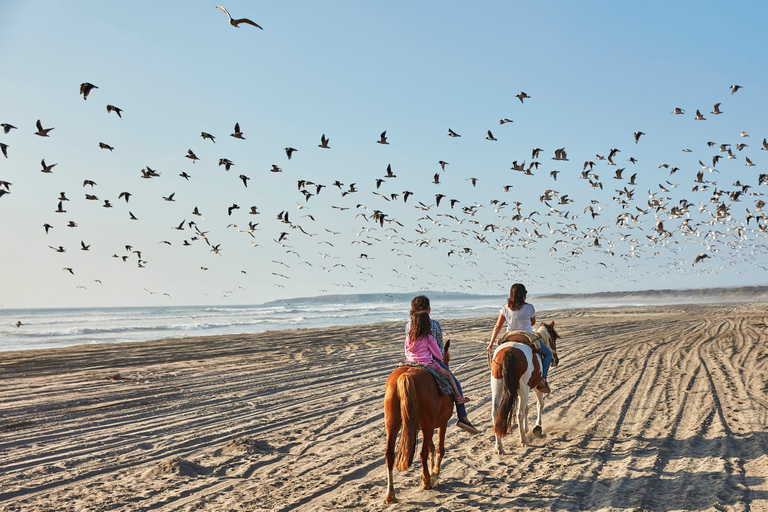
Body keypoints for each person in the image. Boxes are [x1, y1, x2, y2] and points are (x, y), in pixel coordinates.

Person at [405, 295, 479, 435]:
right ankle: (463, 417)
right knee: (455, 381)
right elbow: (439, 350)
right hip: (430, 360)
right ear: (428, 309)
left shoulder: (408, 325)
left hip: (410, 360)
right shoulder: (434, 325)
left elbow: (407, 348)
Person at [487, 283, 553, 393]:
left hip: (509, 336)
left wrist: (491, 343)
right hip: (527, 335)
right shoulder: (530, 307)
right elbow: (533, 322)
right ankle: (543, 379)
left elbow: (498, 326)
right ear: (523, 295)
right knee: (548, 354)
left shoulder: (505, 308)